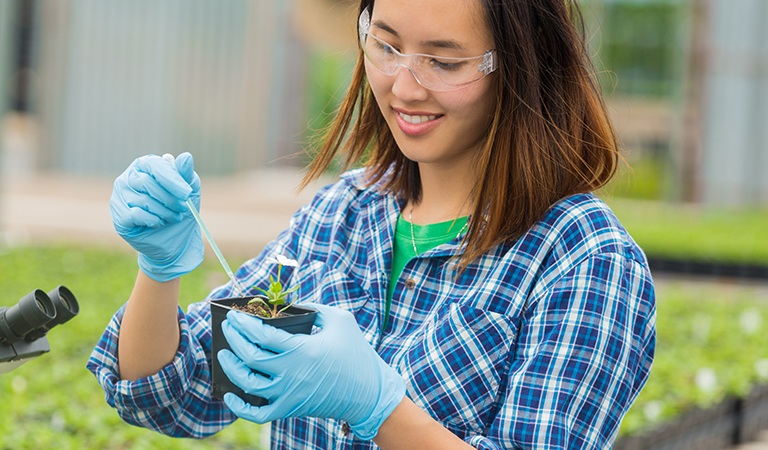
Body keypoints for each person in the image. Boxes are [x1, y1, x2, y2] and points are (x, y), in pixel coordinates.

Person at [88, 0, 656, 448]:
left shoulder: (582, 257)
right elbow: (173, 394)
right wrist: (159, 268)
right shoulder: (343, 216)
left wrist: (378, 408)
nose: (404, 87)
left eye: (444, 61)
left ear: (522, 65)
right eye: (386, 45)